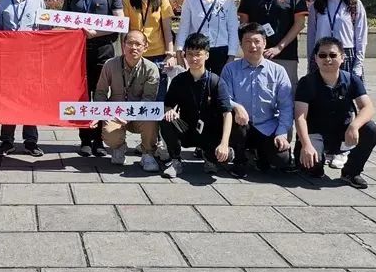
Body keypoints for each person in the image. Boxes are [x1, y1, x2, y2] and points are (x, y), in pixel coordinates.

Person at [295, 37, 376, 189]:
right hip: (315, 133)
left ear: (342, 58)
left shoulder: (352, 80)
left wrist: (354, 126)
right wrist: (306, 145)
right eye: (322, 55)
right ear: (315, 58)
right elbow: (300, 117)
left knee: (371, 129)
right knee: (313, 169)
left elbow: (368, 107)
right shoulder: (307, 82)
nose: (328, 59)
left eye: (333, 55)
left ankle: (351, 172)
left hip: (342, 132)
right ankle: (315, 160)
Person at [63, 0, 125, 157]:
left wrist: (95, 32)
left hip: (103, 52)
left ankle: (99, 140)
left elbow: (120, 23)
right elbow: (64, 21)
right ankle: (85, 139)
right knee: (82, 96)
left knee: (100, 95)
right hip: (78, 54)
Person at [220, 23, 293, 177]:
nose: (252, 46)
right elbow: (224, 98)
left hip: (267, 126)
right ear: (241, 44)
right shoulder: (230, 69)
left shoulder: (278, 71)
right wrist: (237, 107)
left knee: (282, 160)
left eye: (257, 41)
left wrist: (281, 133)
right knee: (238, 122)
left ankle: (261, 154)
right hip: (241, 126)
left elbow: (286, 106)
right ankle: (240, 160)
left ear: (265, 43)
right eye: (247, 41)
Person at [161, 33, 236, 178]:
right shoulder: (179, 80)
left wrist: (224, 143)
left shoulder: (216, 82)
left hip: (210, 132)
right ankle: (176, 161)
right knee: (166, 120)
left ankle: (210, 157)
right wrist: (170, 111)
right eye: (190, 54)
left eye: (198, 54)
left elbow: (227, 113)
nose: (194, 58)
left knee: (224, 156)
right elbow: (168, 104)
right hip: (187, 129)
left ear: (207, 55)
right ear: (185, 55)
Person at [0, 0, 47, 157]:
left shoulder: (38, 1)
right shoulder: (2, 2)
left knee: (30, 99)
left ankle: (31, 141)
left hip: (31, 59)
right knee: (8, 99)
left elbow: (45, 30)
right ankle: (7, 141)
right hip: (9, 60)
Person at [238, 0, 308, 89]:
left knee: (286, 93)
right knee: (256, 92)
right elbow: (244, 23)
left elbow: (300, 23)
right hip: (256, 55)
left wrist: (278, 47)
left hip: (285, 55)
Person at [94, 29, 161, 172]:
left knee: (151, 116)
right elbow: (100, 92)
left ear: (145, 47)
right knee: (110, 135)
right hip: (116, 113)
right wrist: (98, 114)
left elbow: (148, 100)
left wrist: (130, 115)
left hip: (139, 114)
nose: (133, 47)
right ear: (123, 45)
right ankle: (119, 147)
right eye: (130, 43)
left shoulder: (151, 69)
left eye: (138, 44)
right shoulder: (110, 65)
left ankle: (147, 153)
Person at [122, 0, 176, 100]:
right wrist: (125, 53)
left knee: (157, 96)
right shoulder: (127, 0)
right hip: (135, 54)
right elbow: (125, 31)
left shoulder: (162, 0)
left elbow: (167, 30)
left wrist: (170, 54)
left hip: (158, 54)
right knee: (135, 96)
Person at [175, 0, 239, 75]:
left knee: (219, 84)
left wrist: (231, 55)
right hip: (197, 52)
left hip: (221, 52)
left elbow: (233, 30)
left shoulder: (227, 1)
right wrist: (179, 51)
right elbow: (183, 28)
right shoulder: (190, 1)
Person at [307, 0, 367, 78]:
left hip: (346, 54)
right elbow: (311, 36)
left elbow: (361, 36)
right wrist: (311, 61)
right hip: (322, 55)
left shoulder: (354, 5)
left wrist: (359, 63)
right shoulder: (317, 5)